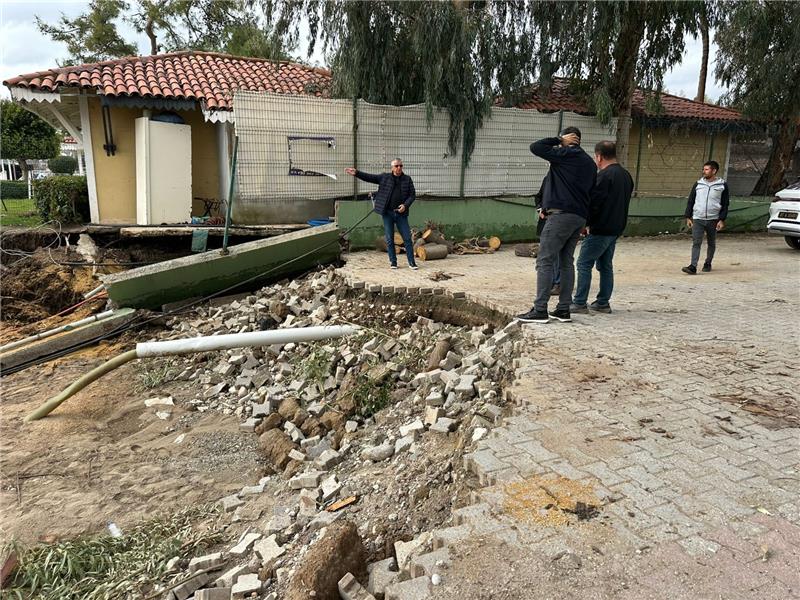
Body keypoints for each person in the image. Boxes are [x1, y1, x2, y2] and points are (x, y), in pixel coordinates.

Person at [517, 127, 596, 324]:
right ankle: (563, 309)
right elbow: (590, 193)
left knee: (545, 261)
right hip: (578, 217)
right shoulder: (589, 162)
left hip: (560, 216)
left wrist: (558, 140)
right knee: (566, 262)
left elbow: (536, 147)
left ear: (568, 139)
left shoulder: (565, 154)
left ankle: (540, 309)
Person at [571, 141, 634, 314]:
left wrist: (585, 224)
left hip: (600, 228)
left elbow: (594, 204)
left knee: (584, 263)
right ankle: (603, 302)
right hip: (616, 228)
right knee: (605, 266)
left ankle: (579, 302)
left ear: (599, 157)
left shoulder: (604, 176)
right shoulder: (626, 175)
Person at [345, 159, 418, 270]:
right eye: (396, 166)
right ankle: (393, 262)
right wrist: (357, 173)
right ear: (392, 167)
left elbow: (412, 195)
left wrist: (405, 205)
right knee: (389, 239)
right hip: (387, 213)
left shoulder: (407, 179)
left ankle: (412, 263)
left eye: (401, 166)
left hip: (401, 214)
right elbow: (370, 177)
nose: (399, 168)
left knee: (407, 238)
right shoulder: (385, 178)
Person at [682, 160, 730, 274]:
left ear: (714, 171)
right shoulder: (698, 184)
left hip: (713, 219)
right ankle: (693, 266)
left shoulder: (722, 185)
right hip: (698, 218)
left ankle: (708, 263)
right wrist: (688, 217)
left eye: (707, 169)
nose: (704, 171)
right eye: (703, 169)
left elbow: (725, 203)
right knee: (696, 242)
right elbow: (691, 200)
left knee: (711, 242)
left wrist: (722, 219)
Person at [535, 179, 561, 295]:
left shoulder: (566, 179)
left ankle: (558, 282)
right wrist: (540, 209)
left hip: (558, 221)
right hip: (546, 221)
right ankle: (549, 281)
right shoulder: (548, 179)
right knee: (545, 254)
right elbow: (538, 197)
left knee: (557, 254)